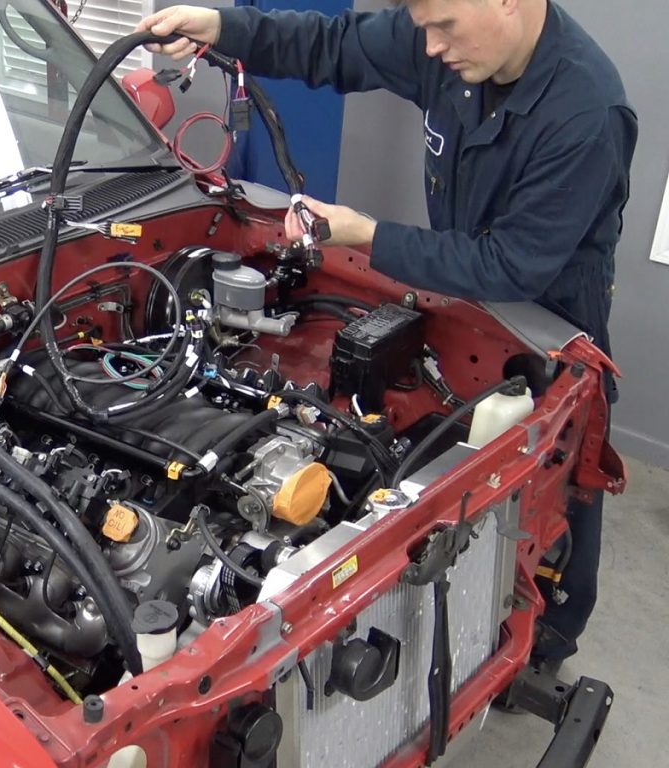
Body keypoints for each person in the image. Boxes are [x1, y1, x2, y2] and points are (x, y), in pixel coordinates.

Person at [138, 0, 637, 672]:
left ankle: (551, 632)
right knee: (450, 458)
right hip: (461, 290)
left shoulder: (586, 112)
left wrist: (364, 235)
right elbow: (332, 46)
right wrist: (223, 27)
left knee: (551, 467)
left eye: (444, 29)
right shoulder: (451, 33)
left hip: (545, 310)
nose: (429, 49)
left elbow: (510, 264)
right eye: (422, 26)